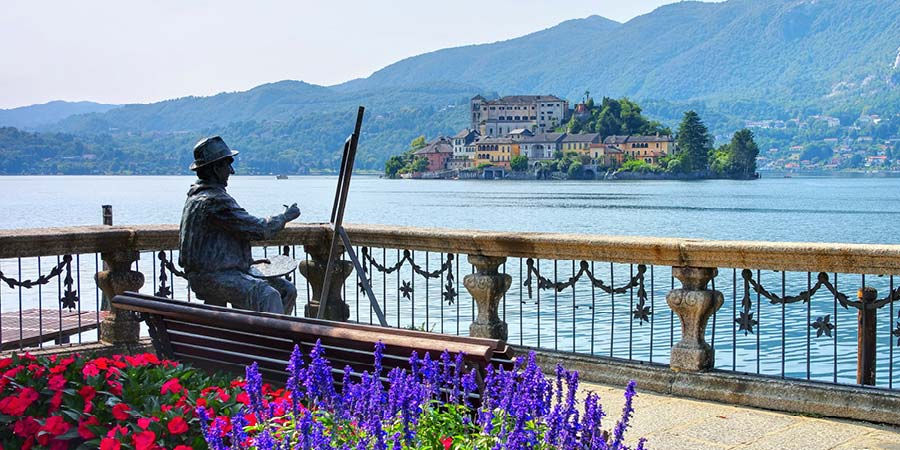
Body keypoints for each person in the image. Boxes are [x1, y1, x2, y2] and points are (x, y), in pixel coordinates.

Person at [178, 136, 301, 314]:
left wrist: (243, 260)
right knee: (267, 295)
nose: (231, 171)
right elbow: (259, 229)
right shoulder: (213, 201)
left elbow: (217, 243)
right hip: (213, 277)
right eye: (228, 165)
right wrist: (286, 216)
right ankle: (275, 340)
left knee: (286, 290)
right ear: (215, 168)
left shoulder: (197, 197)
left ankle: (259, 335)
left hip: (218, 272)